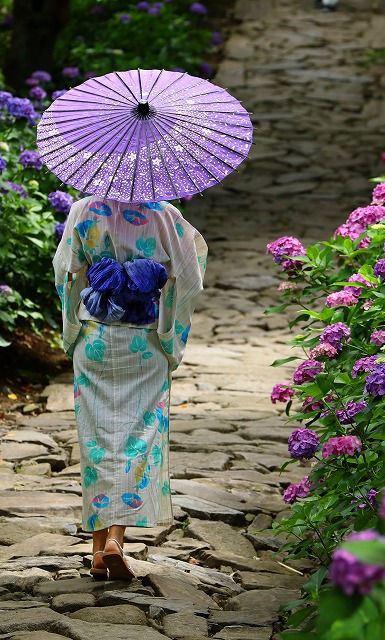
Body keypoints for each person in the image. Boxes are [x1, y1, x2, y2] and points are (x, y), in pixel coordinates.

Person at [53, 196, 207, 580]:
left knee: (96, 438)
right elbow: (190, 275)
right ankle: (114, 542)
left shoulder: (84, 210)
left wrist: (73, 324)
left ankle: (98, 550)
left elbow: (65, 273)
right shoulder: (166, 216)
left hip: (96, 338)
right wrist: (167, 321)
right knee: (138, 435)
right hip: (143, 343)